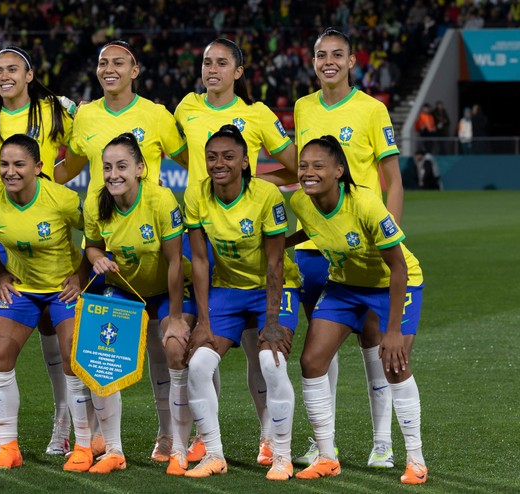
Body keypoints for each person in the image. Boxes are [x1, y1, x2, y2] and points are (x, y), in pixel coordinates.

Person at [55, 40, 190, 462]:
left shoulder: (156, 115)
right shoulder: (87, 116)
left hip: (150, 243)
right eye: (102, 63)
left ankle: (171, 437)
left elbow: (194, 163)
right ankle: (95, 440)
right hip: (108, 246)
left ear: (135, 69)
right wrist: (27, 176)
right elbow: (69, 168)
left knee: (162, 350)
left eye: (118, 62)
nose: (108, 69)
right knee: (99, 350)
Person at [173, 37, 297, 466]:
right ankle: (207, 440)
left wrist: (259, 192)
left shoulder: (256, 114)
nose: (212, 69)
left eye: (222, 62)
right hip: (205, 239)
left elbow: (296, 165)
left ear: (238, 72)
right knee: (199, 349)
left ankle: (270, 437)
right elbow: (173, 154)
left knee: (260, 353)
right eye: (206, 61)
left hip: (251, 242)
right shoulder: (185, 109)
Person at [0, 46, 75, 455]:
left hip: (45, 229)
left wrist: (55, 179)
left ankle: (63, 422)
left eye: (11, 69)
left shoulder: (53, 111)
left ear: (29, 74)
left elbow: (84, 148)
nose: (3, 76)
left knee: (53, 335)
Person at [293, 28, 404, 469]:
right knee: (322, 342)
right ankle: (326, 443)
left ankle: (383, 443)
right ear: (314, 61)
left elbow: (392, 177)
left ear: (352, 61)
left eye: (337, 55)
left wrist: (391, 232)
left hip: (364, 245)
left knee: (374, 341)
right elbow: (307, 172)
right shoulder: (303, 107)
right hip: (314, 245)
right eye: (321, 55)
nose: (328, 62)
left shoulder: (372, 109)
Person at [289, 135, 427, 485]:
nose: (308, 172)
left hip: (394, 284)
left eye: (318, 166)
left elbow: (398, 268)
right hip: (344, 285)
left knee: (394, 366)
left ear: (339, 170)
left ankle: (415, 459)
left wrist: (392, 331)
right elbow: (314, 227)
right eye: (304, 165)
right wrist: (274, 242)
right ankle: (326, 457)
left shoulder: (366, 204)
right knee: (312, 362)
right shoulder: (300, 202)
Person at [0, 134, 89, 470]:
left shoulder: (62, 199)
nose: (10, 171)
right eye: (4, 164)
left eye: (19, 164)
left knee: (72, 359)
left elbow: (97, 231)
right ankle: (8, 447)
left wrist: (80, 276)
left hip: (62, 288)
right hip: (22, 289)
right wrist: (0, 270)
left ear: (37, 167)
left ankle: (81, 445)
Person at [82, 133, 196, 474]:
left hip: (166, 291)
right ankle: (113, 451)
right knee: (99, 356)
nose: (114, 174)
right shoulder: (94, 204)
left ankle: (175, 443)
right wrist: (97, 258)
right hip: (124, 290)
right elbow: (91, 246)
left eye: (121, 166)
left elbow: (176, 261)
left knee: (174, 349)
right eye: (107, 167)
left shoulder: (161, 200)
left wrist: (175, 317)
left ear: (140, 169)